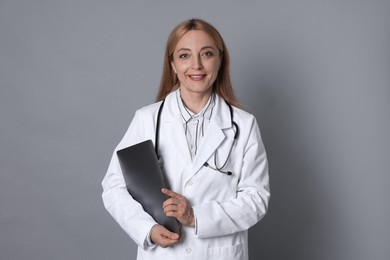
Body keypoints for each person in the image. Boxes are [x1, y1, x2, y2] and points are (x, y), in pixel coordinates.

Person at [102, 18, 270, 260]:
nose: (196, 65)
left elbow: (256, 199)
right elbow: (113, 188)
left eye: (207, 54)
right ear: (172, 64)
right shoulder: (147, 120)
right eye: (184, 56)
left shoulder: (243, 125)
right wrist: (147, 229)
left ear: (220, 60)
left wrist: (195, 217)